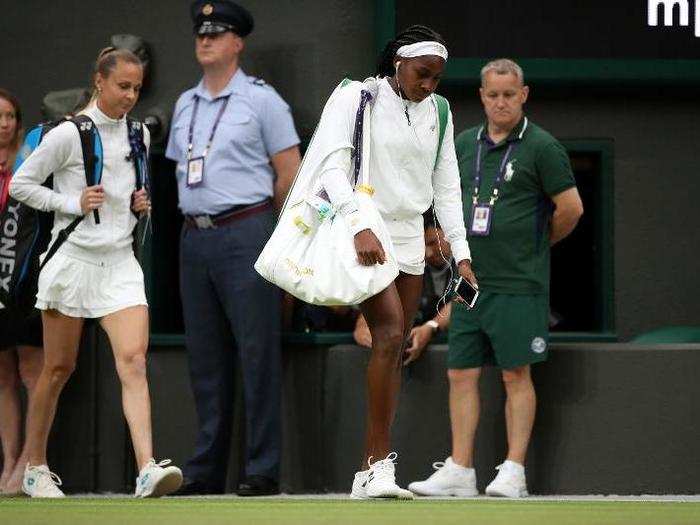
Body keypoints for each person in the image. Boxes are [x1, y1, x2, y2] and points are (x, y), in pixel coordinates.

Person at [293, 25, 475, 499]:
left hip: (411, 236)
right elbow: (332, 165)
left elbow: (447, 185)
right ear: (398, 62)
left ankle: (370, 470)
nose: (429, 85)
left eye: (437, 77)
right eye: (421, 74)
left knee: (390, 349)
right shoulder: (358, 97)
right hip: (366, 227)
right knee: (391, 331)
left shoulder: (439, 110)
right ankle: (376, 467)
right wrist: (358, 224)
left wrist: (462, 254)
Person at [9, 47, 183, 498]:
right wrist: (71, 202)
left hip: (120, 263)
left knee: (133, 361)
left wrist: (139, 204)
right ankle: (36, 466)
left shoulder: (140, 134)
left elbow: (130, 191)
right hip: (71, 263)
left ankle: (146, 467)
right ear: (99, 82)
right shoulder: (68, 134)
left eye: (137, 89)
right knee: (57, 368)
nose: (130, 96)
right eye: (123, 86)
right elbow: (24, 184)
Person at [408, 59, 583, 498]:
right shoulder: (465, 143)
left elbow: (571, 209)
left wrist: (535, 246)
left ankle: (513, 470)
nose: (500, 102)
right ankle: (461, 468)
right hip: (469, 280)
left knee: (514, 374)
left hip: (518, 283)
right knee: (461, 374)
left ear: (523, 94)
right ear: (482, 96)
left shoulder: (542, 146)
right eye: (492, 94)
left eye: (509, 94)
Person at [165, 0, 301, 496]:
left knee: (257, 352)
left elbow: (290, 172)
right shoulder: (185, 104)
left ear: (238, 43)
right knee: (205, 358)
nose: (205, 39)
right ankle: (205, 469)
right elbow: (182, 167)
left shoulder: (262, 100)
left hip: (247, 230)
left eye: (217, 33)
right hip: (194, 236)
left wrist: (275, 234)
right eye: (201, 33)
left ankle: (262, 468)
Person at [0, 89, 45, 496]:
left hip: (27, 279)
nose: (4, 124)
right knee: (3, 377)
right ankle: (9, 460)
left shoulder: (32, 155)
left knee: (33, 371)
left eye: (11, 116)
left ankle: (32, 461)